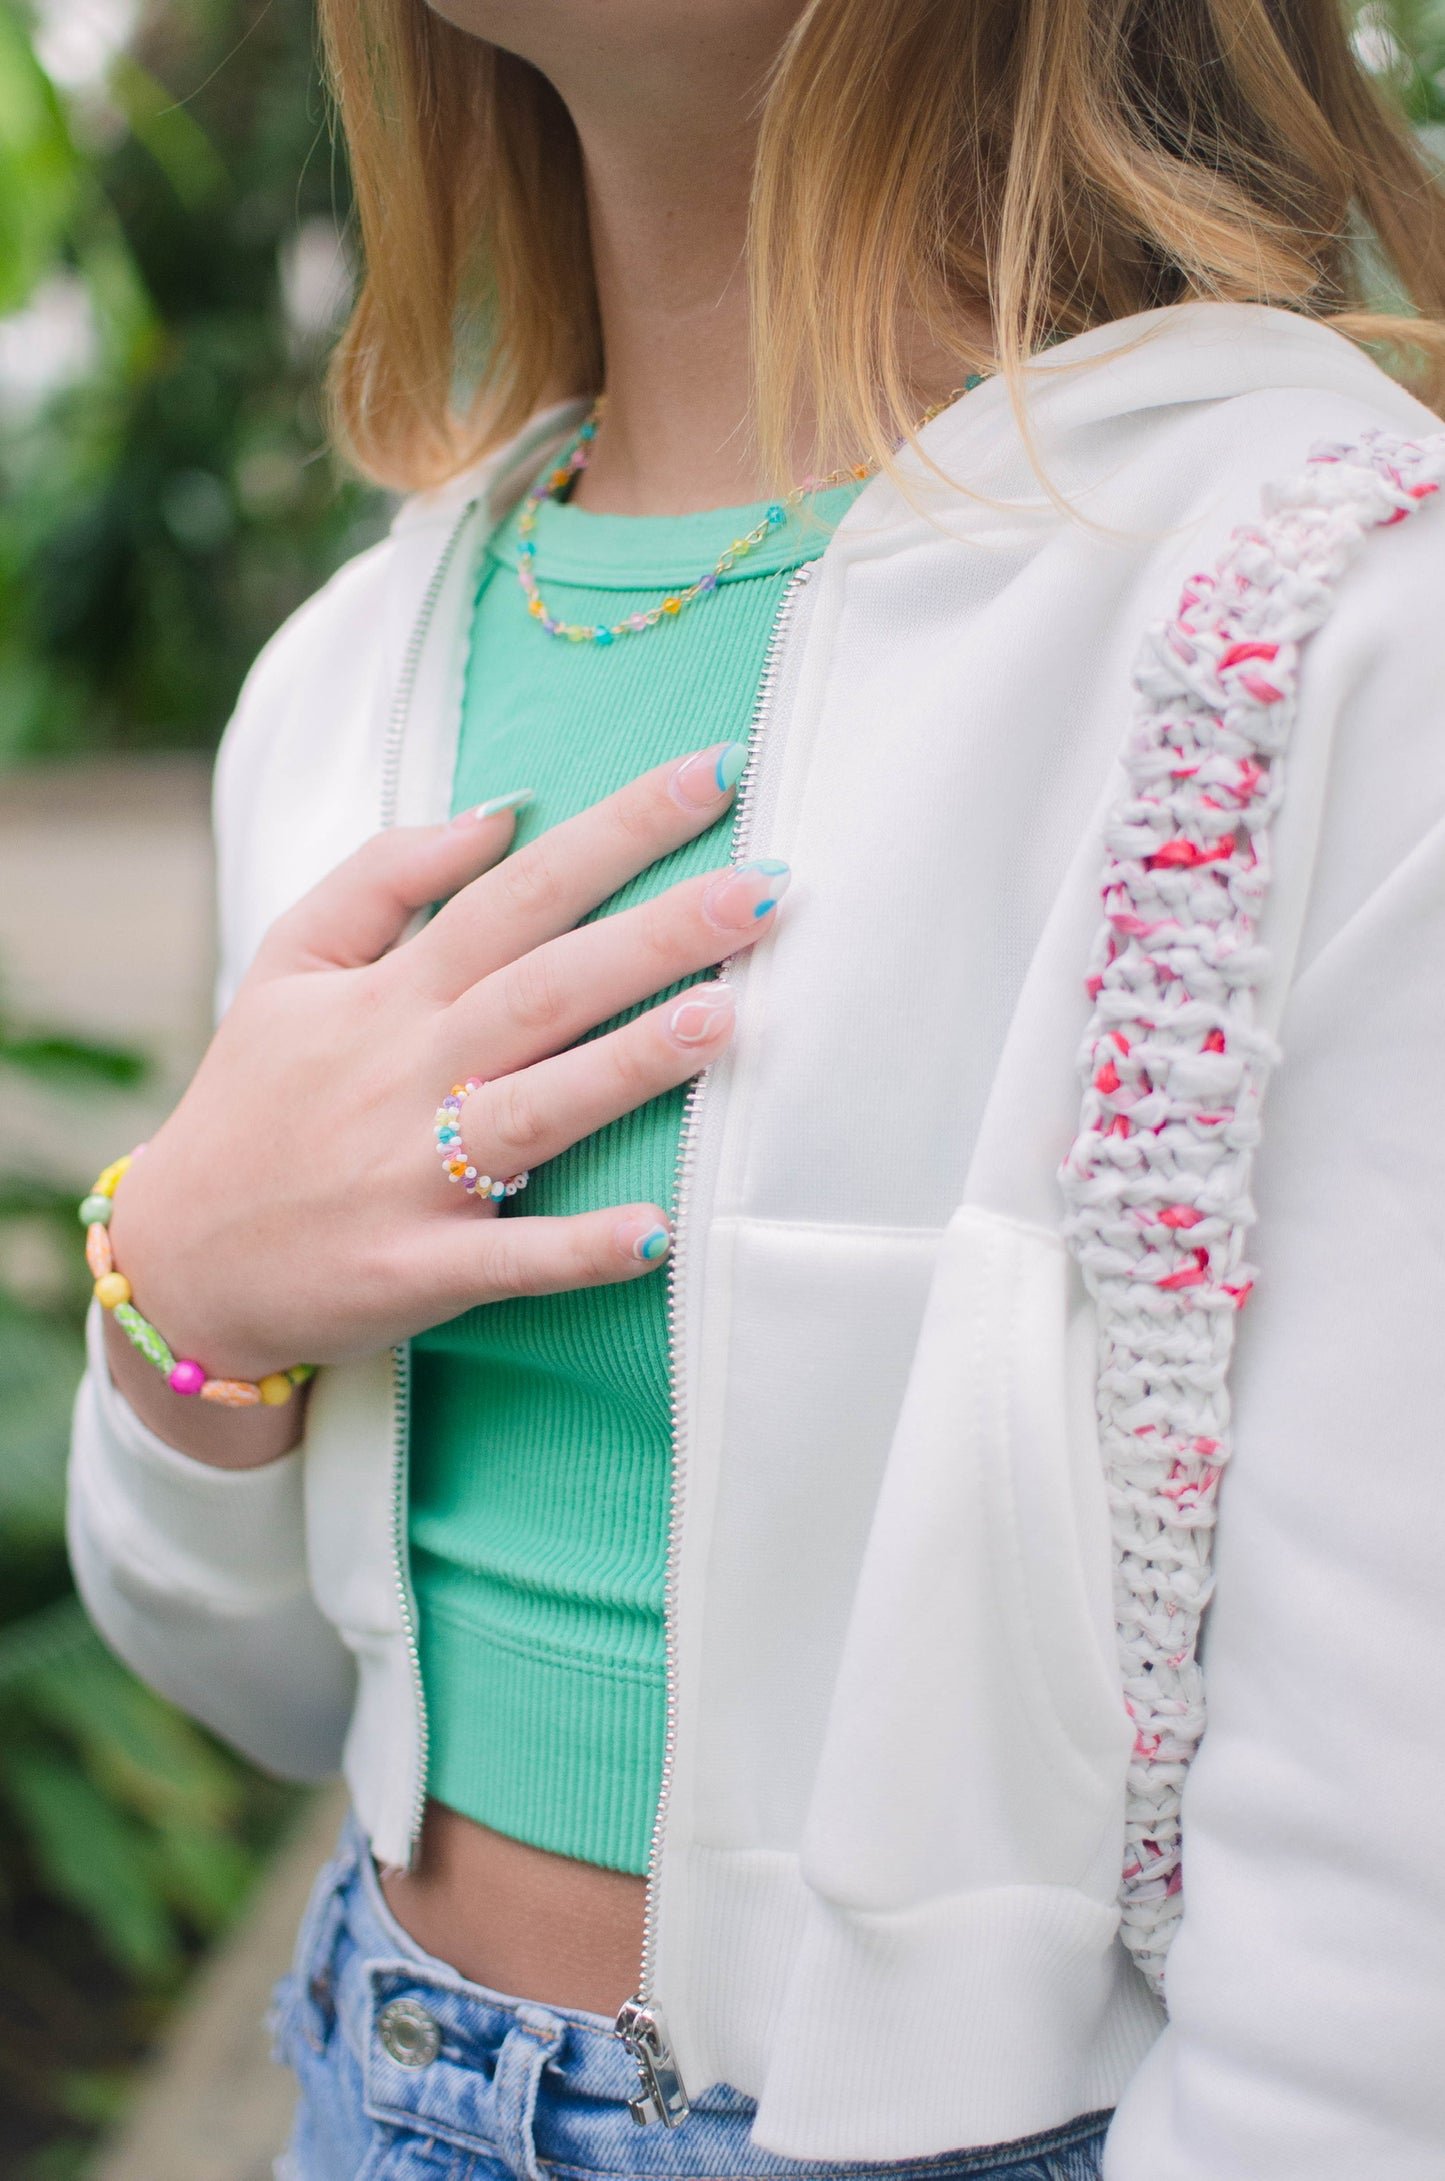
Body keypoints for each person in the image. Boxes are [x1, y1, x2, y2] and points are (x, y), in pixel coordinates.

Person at [65, 2, 1445, 2176]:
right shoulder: (339, 685)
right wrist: (181, 1309)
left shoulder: (1320, 616)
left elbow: (1385, 1926)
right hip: (360, 2075)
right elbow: (279, 1686)